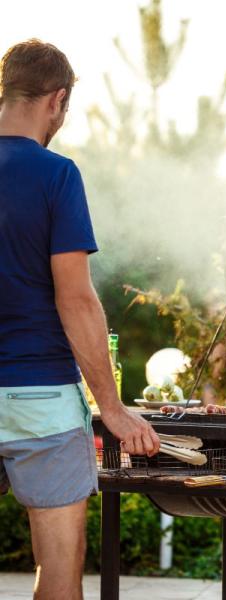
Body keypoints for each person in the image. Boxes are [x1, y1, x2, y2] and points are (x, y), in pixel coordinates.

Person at [0, 39, 161, 600]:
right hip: (41, 401)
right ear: (57, 101)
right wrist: (111, 408)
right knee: (59, 580)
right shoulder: (56, 175)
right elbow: (76, 300)